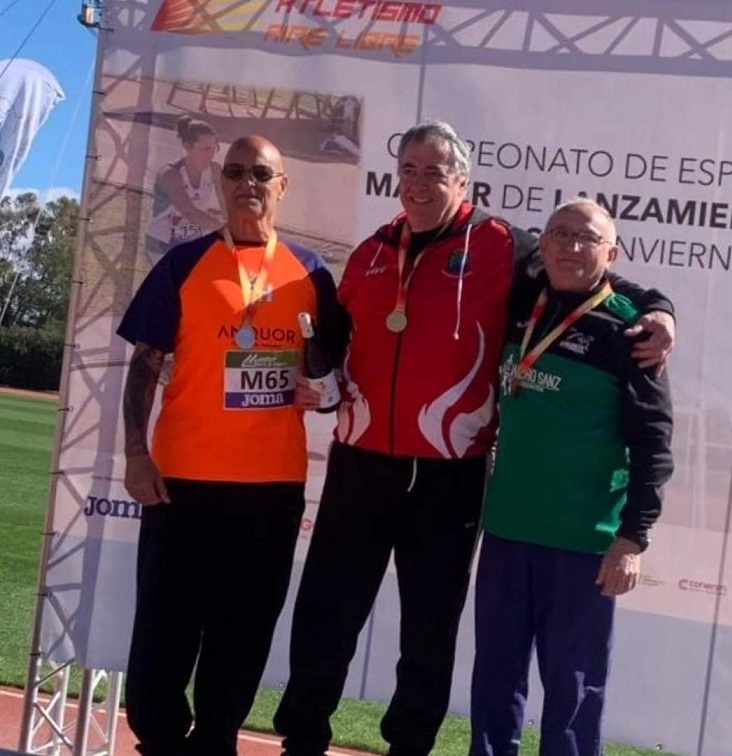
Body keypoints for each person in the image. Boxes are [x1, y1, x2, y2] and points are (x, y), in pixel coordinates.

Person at [273, 121, 675, 756]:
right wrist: (321, 384)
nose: (420, 183)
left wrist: (658, 308)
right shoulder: (373, 251)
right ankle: (302, 738)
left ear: (462, 180)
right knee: (326, 613)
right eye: (410, 170)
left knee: (429, 631)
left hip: (449, 473)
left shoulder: (501, 246)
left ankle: (409, 746)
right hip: (360, 463)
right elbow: (335, 342)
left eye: (436, 172)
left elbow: (584, 272)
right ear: (396, 176)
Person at [117, 135, 349, 756]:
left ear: (282, 185)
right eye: (236, 172)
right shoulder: (182, 264)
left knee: (243, 634)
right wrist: (136, 453)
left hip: (270, 489)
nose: (248, 182)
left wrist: (322, 390)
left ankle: (217, 740)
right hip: (181, 483)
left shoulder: (312, 272)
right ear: (221, 182)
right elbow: (145, 363)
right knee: (165, 632)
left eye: (261, 173)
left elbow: (333, 379)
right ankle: (161, 741)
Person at [470, 198, 674, 756]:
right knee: (494, 680)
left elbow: (655, 443)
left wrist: (633, 538)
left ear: (613, 252)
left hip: (583, 544)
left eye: (586, 238)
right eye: (558, 233)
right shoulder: (521, 300)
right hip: (508, 531)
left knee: (573, 692)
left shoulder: (631, 333)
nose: (569, 246)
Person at [145, 114, 225, 264]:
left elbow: (225, 203)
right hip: (162, 243)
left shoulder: (215, 170)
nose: (211, 154)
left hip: (191, 240)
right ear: (187, 146)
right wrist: (224, 229)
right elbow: (189, 212)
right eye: (205, 149)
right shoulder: (170, 174)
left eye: (215, 148)